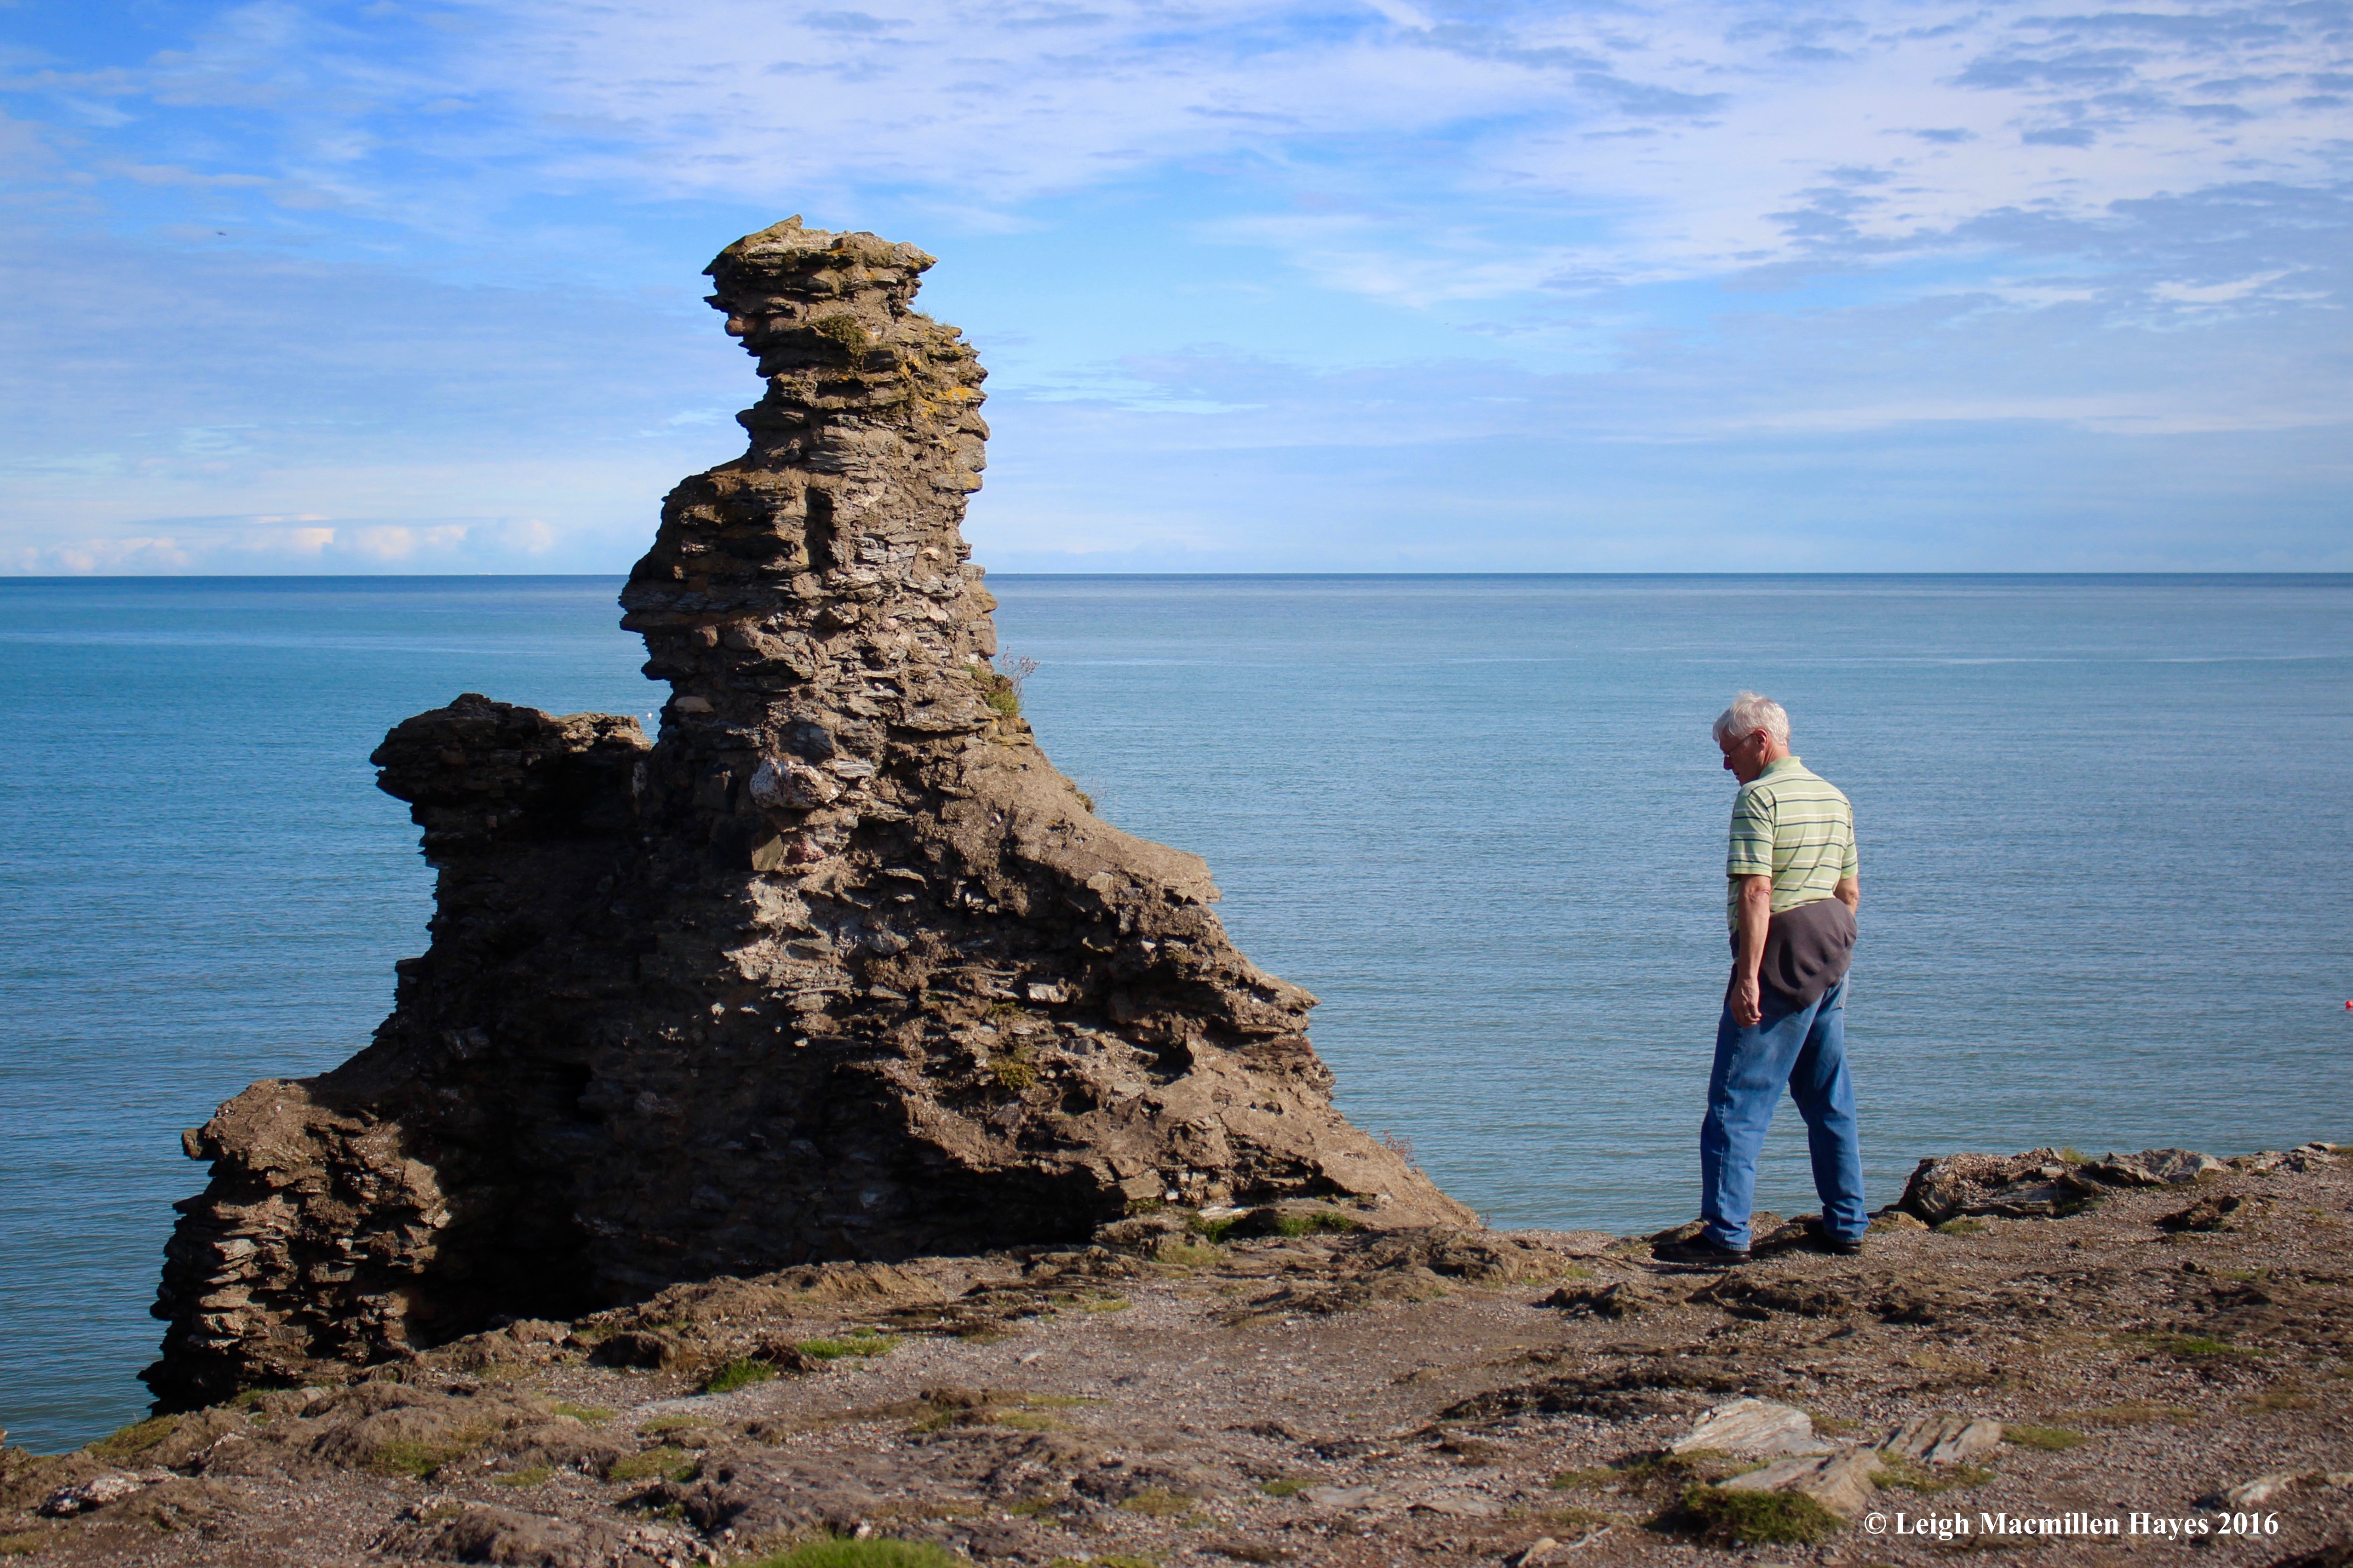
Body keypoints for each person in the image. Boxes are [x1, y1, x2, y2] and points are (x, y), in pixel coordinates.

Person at [1654, 692, 1866, 1268]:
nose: (1726, 764)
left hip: (1778, 956)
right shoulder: (1834, 795)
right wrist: (1835, 954)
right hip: (1830, 954)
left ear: (1760, 741)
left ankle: (1725, 1234)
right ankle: (1847, 1222)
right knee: (1829, 1097)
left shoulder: (1759, 797)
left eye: (1729, 751)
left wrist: (1748, 977)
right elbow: (1848, 893)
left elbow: (1756, 890)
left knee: (1735, 1099)